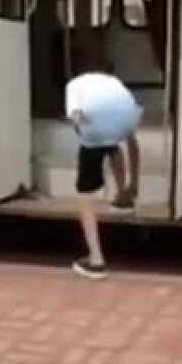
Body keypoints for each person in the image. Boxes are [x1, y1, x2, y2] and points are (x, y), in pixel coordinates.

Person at [66, 71, 143, 279]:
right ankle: (124, 196)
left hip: (96, 119)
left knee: (84, 192)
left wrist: (83, 132)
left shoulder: (73, 86)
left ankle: (96, 260)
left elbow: (75, 116)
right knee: (114, 142)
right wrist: (133, 184)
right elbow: (132, 144)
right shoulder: (113, 82)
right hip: (126, 111)